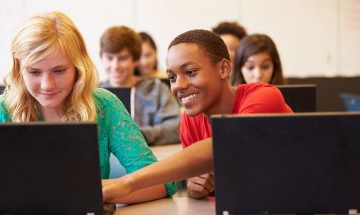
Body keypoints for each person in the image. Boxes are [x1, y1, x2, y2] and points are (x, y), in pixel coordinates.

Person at [0, 11, 176, 207]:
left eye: (59, 71)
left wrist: (102, 191)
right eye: (34, 72)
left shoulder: (105, 105)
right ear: (18, 69)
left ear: (78, 67)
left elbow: (163, 182)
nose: (47, 85)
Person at [102, 29, 293, 201]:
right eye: (172, 77)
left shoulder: (265, 96)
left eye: (190, 72)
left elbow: (228, 143)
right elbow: (209, 179)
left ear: (224, 69)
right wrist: (197, 188)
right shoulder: (190, 119)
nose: (178, 85)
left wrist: (128, 183)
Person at [99, 26, 181, 146]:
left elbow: (175, 128)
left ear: (136, 60)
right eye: (109, 58)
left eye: (122, 58)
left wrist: (136, 135)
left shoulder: (157, 90)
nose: (115, 65)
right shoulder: (94, 93)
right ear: (102, 57)